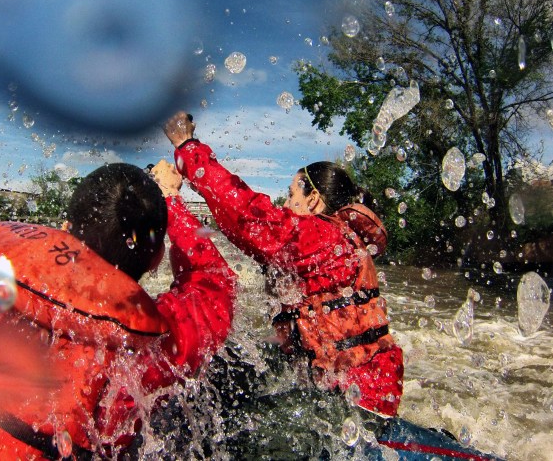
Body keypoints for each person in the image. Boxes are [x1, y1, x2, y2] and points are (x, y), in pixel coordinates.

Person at [0, 162, 237, 459]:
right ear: (158, 257)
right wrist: (172, 200)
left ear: (65, 231)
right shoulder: (147, 345)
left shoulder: (1, 289)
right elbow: (214, 283)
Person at [158, 111, 404, 418]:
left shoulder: (325, 237)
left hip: (358, 402)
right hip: (348, 388)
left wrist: (186, 149)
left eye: (291, 196)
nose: (284, 206)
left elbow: (247, 216)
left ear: (313, 200)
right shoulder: (331, 244)